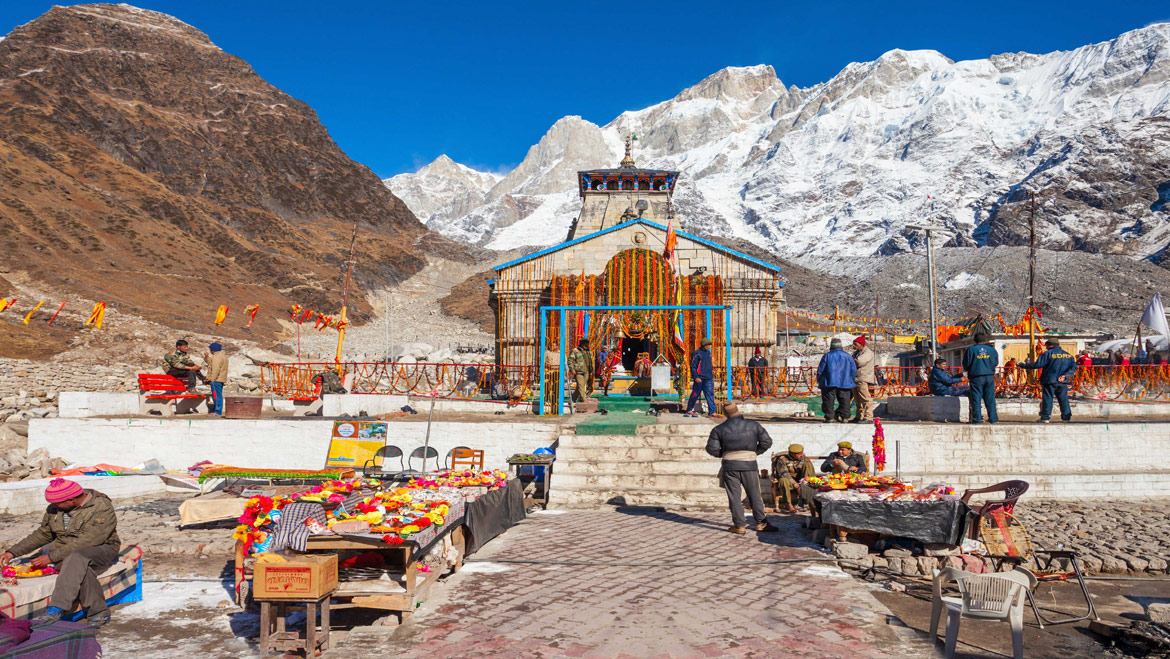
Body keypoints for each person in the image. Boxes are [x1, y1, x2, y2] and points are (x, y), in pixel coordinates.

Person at [0, 479, 120, 627]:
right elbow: (43, 534)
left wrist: (51, 557)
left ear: (71, 499)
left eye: (58, 504)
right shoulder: (55, 508)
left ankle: (57, 607)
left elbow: (89, 540)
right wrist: (12, 552)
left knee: (76, 557)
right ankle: (99, 612)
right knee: (80, 568)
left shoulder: (100, 506)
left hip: (102, 548)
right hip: (68, 553)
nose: (54, 506)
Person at [704, 402, 777, 534]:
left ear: (725, 414)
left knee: (734, 497)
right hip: (749, 464)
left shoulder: (719, 429)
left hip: (730, 465)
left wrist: (724, 454)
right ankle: (761, 523)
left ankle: (739, 525)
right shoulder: (754, 425)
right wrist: (755, 452)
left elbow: (711, 448)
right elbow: (767, 442)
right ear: (738, 410)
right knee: (755, 494)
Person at [1019, 338, 1078, 422]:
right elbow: (1073, 367)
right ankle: (1066, 418)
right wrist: (1065, 376)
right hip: (1063, 382)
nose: (1046, 347)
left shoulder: (1047, 354)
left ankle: (1045, 417)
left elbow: (1038, 365)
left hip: (1049, 380)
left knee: (1048, 399)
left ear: (1050, 345)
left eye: (1046, 346)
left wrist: (1023, 365)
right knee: (1064, 399)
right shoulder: (1068, 355)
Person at [816, 338, 856, 422]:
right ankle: (845, 417)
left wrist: (820, 380)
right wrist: (850, 380)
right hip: (845, 382)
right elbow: (853, 370)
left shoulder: (827, 356)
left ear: (831, 346)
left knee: (828, 401)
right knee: (845, 400)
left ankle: (829, 417)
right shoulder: (848, 356)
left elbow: (821, 370)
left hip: (829, 382)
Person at [962, 333, 999, 424]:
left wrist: (969, 369)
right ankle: (993, 418)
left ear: (974, 340)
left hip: (976, 376)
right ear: (985, 340)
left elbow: (966, 363)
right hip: (989, 376)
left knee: (976, 398)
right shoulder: (992, 350)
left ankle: (977, 419)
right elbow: (995, 362)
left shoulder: (971, 350)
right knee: (990, 398)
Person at [771, 444, 815, 513]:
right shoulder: (782, 460)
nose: (802, 455)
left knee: (808, 465)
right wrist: (796, 485)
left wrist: (804, 483)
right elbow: (784, 474)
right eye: (799, 454)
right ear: (792, 454)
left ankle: (806, 502)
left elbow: (810, 473)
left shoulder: (804, 459)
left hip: (802, 480)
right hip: (789, 482)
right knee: (783, 480)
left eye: (802, 452)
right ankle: (789, 504)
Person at [684, 339, 717, 418]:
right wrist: (695, 377)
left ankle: (712, 411)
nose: (709, 347)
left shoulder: (708, 353)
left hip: (708, 378)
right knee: (695, 394)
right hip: (700, 378)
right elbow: (693, 366)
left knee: (710, 394)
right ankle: (689, 409)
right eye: (708, 345)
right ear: (704, 345)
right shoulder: (697, 353)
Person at [850, 335, 876, 423]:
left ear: (861, 344)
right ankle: (859, 416)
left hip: (862, 378)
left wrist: (851, 360)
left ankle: (868, 416)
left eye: (855, 344)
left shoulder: (867, 353)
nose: (854, 346)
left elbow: (859, 362)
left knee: (865, 398)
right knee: (858, 399)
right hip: (856, 378)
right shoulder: (857, 352)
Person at [205, 342, 228, 416]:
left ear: (212, 350)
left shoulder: (216, 357)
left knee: (216, 396)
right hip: (220, 379)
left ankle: (217, 412)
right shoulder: (222, 356)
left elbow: (215, 369)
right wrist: (206, 357)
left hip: (216, 380)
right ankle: (217, 411)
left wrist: (212, 379)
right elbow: (211, 363)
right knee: (218, 395)